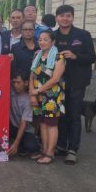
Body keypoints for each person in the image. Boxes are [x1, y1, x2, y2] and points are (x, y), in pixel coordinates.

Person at [54, 4, 96, 165]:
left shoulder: (83, 35)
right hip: (57, 82)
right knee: (61, 115)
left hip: (77, 82)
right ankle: (61, 145)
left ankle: (73, 149)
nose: (65, 19)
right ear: (57, 18)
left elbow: (92, 57)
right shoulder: (52, 36)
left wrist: (75, 56)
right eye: (62, 16)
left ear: (72, 17)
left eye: (68, 16)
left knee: (74, 115)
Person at [29, 30, 66, 165]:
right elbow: (32, 74)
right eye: (40, 39)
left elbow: (55, 79)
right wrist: (32, 92)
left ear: (53, 42)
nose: (42, 42)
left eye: (45, 39)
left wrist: (38, 90)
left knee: (51, 125)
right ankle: (44, 150)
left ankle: (50, 153)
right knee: (42, 124)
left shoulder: (59, 57)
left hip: (52, 96)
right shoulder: (37, 55)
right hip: (38, 95)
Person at [7, 72, 41, 157]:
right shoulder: (11, 91)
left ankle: (27, 143)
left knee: (31, 147)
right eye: (14, 82)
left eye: (18, 82)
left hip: (26, 130)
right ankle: (19, 144)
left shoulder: (28, 100)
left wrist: (16, 144)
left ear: (26, 83)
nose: (15, 85)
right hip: (13, 127)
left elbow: (23, 123)